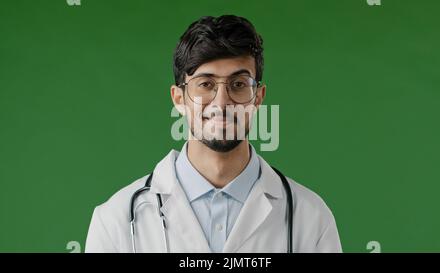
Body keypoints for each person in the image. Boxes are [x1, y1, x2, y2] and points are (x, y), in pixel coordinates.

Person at [85, 15, 342, 253]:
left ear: (258, 97)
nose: (221, 103)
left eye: (238, 84)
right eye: (206, 84)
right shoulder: (115, 221)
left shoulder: (310, 218)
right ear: (179, 98)